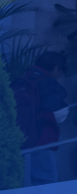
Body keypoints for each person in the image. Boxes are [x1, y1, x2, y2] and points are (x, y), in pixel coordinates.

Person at [17, 51, 68, 185]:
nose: (60, 75)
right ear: (56, 67)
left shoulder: (22, 79)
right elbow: (58, 113)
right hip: (41, 140)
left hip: (20, 138)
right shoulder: (49, 84)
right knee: (46, 180)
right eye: (61, 70)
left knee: (24, 182)